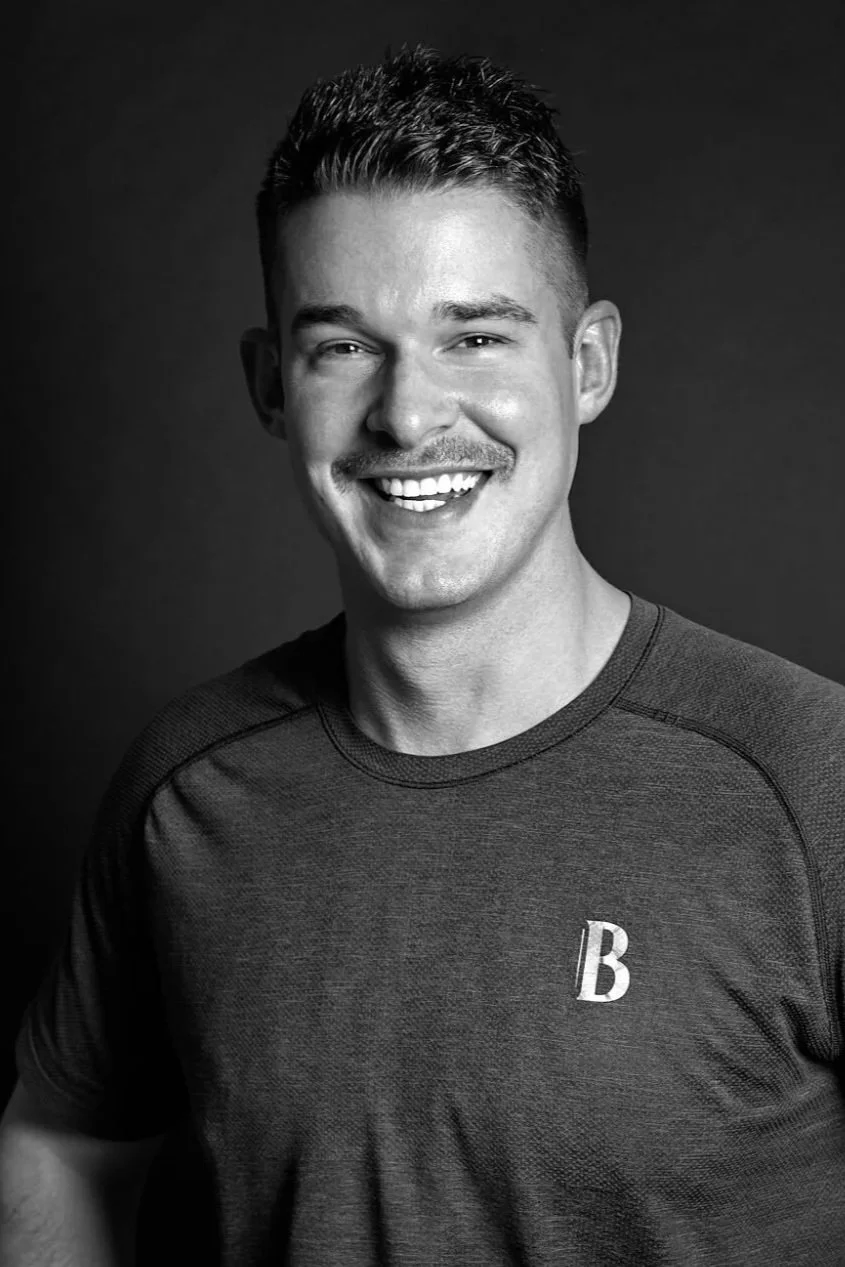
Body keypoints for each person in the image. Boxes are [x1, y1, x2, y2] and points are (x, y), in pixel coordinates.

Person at [1, 42, 843, 1267]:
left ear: (587, 362)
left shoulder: (806, 779)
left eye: (476, 338)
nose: (406, 413)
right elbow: (60, 1144)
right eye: (342, 345)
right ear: (269, 384)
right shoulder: (184, 793)